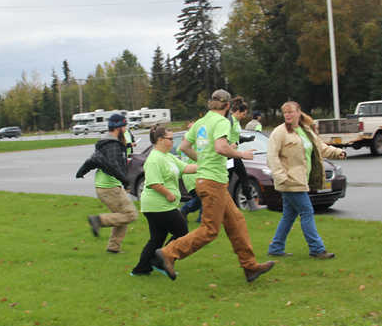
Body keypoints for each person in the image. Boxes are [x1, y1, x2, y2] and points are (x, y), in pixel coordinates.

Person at [151, 89, 275, 282]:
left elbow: (184, 147)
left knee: (236, 223)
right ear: (228, 106)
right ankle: (168, 253)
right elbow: (220, 147)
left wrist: (203, 161)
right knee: (209, 230)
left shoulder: (201, 122)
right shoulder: (221, 122)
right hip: (213, 183)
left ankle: (250, 267)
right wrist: (242, 154)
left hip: (208, 181)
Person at [266, 101, 346, 259]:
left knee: (289, 215)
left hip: (302, 180)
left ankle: (275, 248)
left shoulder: (306, 130)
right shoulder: (279, 132)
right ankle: (317, 249)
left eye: (291, 112)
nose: (288, 115)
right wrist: (282, 177)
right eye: (285, 112)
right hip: (290, 182)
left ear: (298, 112)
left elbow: (321, 148)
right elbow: (272, 157)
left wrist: (338, 152)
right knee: (307, 211)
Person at [130, 125, 197, 276]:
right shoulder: (154, 159)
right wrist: (168, 194)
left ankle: (141, 269)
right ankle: (162, 259)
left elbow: (186, 168)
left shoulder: (168, 156)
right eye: (170, 139)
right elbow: (153, 183)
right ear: (160, 140)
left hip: (160, 206)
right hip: (158, 205)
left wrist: (205, 167)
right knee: (182, 232)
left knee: (157, 239)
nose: (173, 142)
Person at [75, 113, 138, 253]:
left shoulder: (107, 142)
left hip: (107, 186)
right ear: (118, 127)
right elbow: (114, 166)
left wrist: (81, 172)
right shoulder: (112, 145)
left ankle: (113, 247)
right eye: (124, 126)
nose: (126, 129)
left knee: (121, 216)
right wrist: (126, 182)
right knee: (130, 215)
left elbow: (93, 160)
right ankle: (98, 220)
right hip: (110, 187)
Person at [228, 96, 260, 211]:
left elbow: (236, 137)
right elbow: (225, 139)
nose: (244, 116)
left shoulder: (236, 122)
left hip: (235, 155)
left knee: (244, 178)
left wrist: (247, 139)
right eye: (243, 114)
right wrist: (234, 144)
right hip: (228, 156)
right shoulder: (229, 121)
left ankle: (252, 205)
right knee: (226, 181)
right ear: (237, 111)